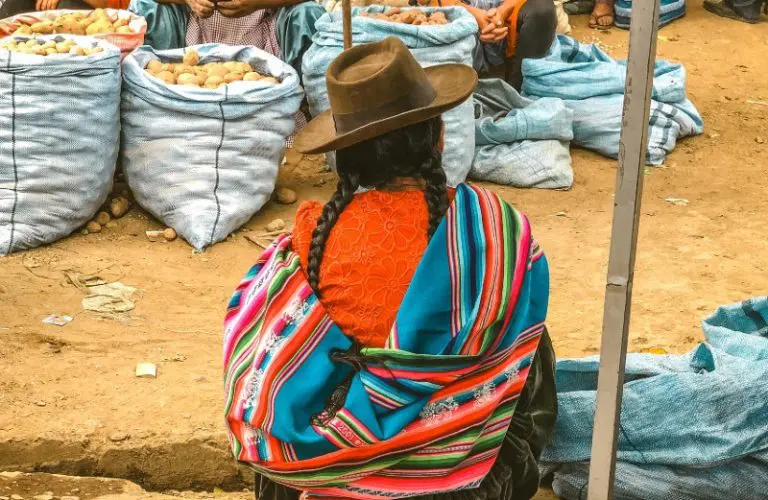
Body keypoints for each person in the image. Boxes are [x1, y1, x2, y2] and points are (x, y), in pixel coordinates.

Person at [223, 37, 557, 500]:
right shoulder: (491, 231)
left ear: (346, 158)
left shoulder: (307, 237)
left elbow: (258, 365)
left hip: (324, 475)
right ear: (438, 137)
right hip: (457, 483)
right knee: (524, 325)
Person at [418, 0, 556, 90]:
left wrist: (502, 12)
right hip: (457, 16)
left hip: (510, 17)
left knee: (542, 11)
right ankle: (458, 92)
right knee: (433, 24)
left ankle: (519, 89)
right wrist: (473, 14)